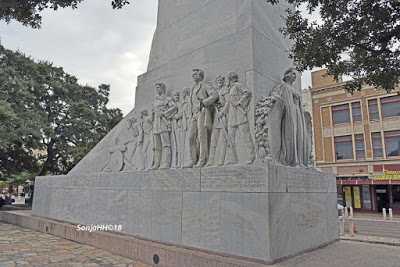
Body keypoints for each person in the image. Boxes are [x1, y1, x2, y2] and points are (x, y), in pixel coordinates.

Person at [270, 67, 308, 166]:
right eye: (292, 73)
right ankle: (290, 159)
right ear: (287, 75)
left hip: (297, 113)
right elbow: (274, 94)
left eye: (295, 74)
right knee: (290, 134)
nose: (294, 76)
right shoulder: (283, 86)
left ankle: (298, 160)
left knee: (298, 135)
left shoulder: (294, 89)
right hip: (289, 113)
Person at [183, 69, 218, 168]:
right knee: (191, 137)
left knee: (201, 136)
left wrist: (204, 103)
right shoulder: (192, 88)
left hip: (202, 112)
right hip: (193, 114)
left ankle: (202, 160)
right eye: (192, 75)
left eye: (195, 75)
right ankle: (193, 160)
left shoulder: (205, 86)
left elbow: (214, 95)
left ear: (200, 75)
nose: (193, 76)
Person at [221, 72, 255, 165]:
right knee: (230, 138)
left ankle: (250, 156)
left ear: (229, 79)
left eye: (226, 79)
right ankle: (231, 157)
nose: (226, 81)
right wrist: (223, 112)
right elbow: (228, 102)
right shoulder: (229, 89)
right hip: (232, 116)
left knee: (245, 136)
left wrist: (239, 102)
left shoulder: (238, 85)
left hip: (240, 114)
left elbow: (248, 92)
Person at [149, 83, 176, 170]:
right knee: (157, 146)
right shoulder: (156, 100)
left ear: (163, 88)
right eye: (156, 88)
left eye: (158, 88)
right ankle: (157, 163)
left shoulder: (167, 99)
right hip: (156, 124)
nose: (156, 90)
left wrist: (164, 113)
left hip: (164, 123)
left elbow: (174, 107)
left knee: (166, 144)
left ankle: (166, 163)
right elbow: (153, 112)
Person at [206, 75, 230, 166]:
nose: (219, 82)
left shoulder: (225, 90)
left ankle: (222, 159)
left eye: (221, 80)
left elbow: (228, 102)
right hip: (217, 115)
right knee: (213, 139)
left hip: (223, 115)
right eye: (218, 80)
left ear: (223, 82)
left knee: (223, 140)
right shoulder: (216, 91)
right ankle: (211, 160)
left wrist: (223, 112)